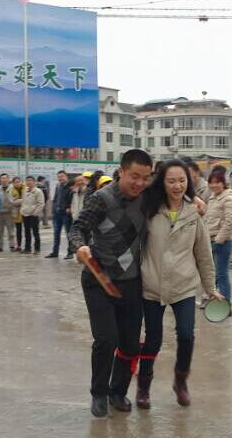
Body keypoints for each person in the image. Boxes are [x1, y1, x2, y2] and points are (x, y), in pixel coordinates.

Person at [69, 149, 153, 418]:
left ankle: (118, 391)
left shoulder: (147, 198)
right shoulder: (101, 199)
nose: (140, 183)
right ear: (121, 171)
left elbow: (177, 192)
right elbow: (78, 228)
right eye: (134, 176)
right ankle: (99, 393)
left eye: (145, 178)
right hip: (99, 278)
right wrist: (80, 246)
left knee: (130, 343)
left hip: (131, 281)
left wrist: (195, 199)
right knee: (106, 339)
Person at [137, 160, 221, 410]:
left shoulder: (194, 212)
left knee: (186, 335)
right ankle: (143, 386)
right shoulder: (149, 209)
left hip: (183, 285)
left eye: (182, 180)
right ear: (162, 182)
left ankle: (180, 380)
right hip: (152, 285)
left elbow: (203, 254)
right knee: (153, 340)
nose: (177, 186)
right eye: (171, 181)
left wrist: (211, 288)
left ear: (189, 181)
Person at [205, 168, 232, 304]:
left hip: (222, 242)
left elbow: (229, 222)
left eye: (217, 182)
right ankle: (213, 300)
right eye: (211, 182)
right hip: (211, 240)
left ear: (223, 183)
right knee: (214, 274)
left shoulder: (228, 198)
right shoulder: (212, 198)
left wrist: (218, 241)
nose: (214, 185)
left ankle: (226, 305)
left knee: (222, 274)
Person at [47, 170, 74, 259]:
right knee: (56, 234)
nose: (60, 178)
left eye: (62, 176)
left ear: (66, 176)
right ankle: (55, 252)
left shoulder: (70, 186)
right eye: (58, 177)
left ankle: (70, 252)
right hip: (57, 213)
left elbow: (72, 199)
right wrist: (53, 210)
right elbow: (55, 198)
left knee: (68, 234)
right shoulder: (58, 186)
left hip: (66, 214)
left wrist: (69, 207)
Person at [20, 176, 45, 255]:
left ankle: (37, 249)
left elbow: (41, 203)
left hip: (33, 215)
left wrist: (35, 213)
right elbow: (23, 201)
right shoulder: (25, 190)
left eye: (30, 180)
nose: (28, 182)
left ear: (34, 182)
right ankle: (27, 248)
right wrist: (22, 210)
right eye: (27, 180)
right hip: (25, 214)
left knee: (35, 232)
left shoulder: (38, 191)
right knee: (27, 232)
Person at [0, 174, 16, 252]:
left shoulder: (12, 188)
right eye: (2, 178)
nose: (4, 180)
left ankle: (12, 245)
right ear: (0, 180)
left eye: (5, 178)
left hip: (9, 212)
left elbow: (15, 198)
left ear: (8, 179)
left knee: (11, 231)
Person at [9, 177, 25, 251]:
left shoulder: (26, 188)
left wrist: (18, 200)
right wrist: (22, 200)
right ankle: (19, 245)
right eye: (15, 182)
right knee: (18, 230)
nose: (17, 183)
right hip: (17, 213)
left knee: (27, 230)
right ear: (13, 183)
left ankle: (27, 246)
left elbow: (28, 200)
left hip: (26, 212)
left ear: (21, 182)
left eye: (18, 181)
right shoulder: (11, 190)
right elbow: (12, 201)